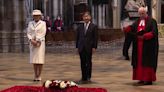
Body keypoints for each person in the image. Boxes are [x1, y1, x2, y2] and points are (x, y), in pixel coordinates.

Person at [124, 7, 159, 85]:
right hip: (138, 46)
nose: (141, 15)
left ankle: (148, 79)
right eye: (140, 14)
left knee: (147, 63)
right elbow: (132, 28)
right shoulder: (137, 21)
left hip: (148, 47)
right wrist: (127, 28)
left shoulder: (152, 21)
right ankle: (141, 78)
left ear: (146, 13)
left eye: (143, 13)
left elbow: (154, 32)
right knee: (139, 62)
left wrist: (145, 36)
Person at [76, 11, 98, 84]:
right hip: (81, 46)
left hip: (89, 47)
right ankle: (83, 77)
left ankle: (88, 76)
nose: (86, 18)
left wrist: (94, 47)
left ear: (90, 17)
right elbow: (77, 37)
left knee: (88, 62)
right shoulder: (80, 27)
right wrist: (77, 47)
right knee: (82, 62)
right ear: (83, 18)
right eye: (84, 16)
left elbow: (95, 38)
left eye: (87, 16)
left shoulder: (93, 26)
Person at [27, 9, 46, 81]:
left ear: (40, 16)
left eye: (37, 16)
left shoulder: (43, 23)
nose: (36, 17)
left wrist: (37, 40)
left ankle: (39, 75)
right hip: (32, 43)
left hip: (40, 43)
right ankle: (35, 75)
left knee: (40, 60)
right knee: (34, 60)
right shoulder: (30, 23)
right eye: (34, 16)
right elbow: (28, 32)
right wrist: (31, 40)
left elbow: (43, 32)